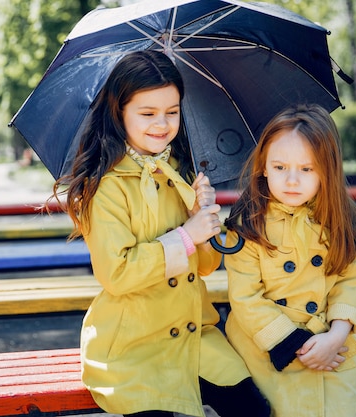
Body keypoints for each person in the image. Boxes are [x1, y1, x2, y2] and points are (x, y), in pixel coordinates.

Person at [51, 50, 269, 417]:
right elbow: (116, 274)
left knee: (253, 408)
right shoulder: (104, 186)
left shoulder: (178, 171)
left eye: (172, 111)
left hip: (193, 334)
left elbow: (203, 267)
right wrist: (186, 235)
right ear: (119, 112)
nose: (163, 124)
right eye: (148, 113)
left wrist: (202, 217)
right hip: (134, 345)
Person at [223, 104, 356, 417]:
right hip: (268, 345)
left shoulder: (342, 220)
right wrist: (293, 345)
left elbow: (352, 280)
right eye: (280, 168)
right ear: (263, 166)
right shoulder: (248, 223)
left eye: (307, 169)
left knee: (341, 405)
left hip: (330, 341)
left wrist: (336, 334)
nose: (292, 180)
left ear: (327, 170)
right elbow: (246, 298)